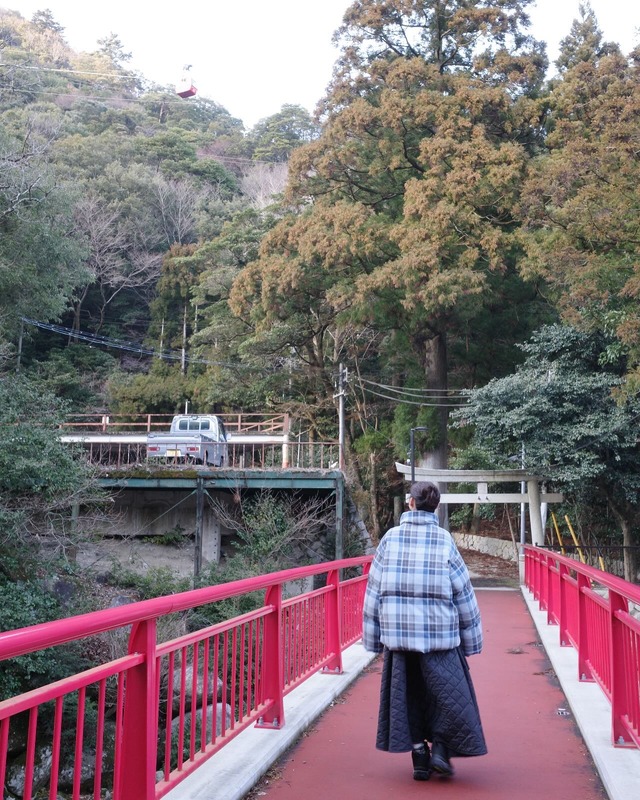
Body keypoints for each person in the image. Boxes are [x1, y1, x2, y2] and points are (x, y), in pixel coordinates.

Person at [363, 480, 487, 781]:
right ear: (437, 507)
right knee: (448, 697)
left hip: (399, 638)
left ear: (410, 503)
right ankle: (441, 749)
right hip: (440, 637)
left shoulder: (390, 539)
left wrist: (373, 640)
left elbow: (373, 592)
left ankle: (419, 757)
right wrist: (471, 642)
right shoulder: (444, 540)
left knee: (407, 697)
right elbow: (463, 593)